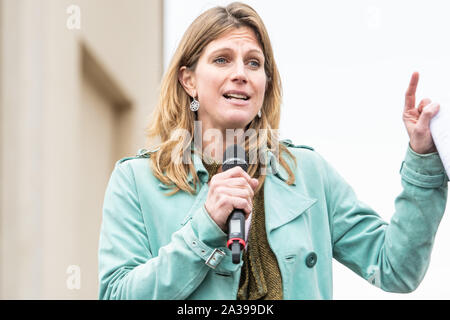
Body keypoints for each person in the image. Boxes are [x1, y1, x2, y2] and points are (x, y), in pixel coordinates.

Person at [98, 2, 448, 300]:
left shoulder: (307, 173)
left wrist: (423, 161)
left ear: (266, 82)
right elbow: (117, 293)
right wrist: (204, 227)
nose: (240, 74)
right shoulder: (137, 180)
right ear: (188, 80)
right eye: (222, 60)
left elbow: (395, 269)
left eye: (253, 63)